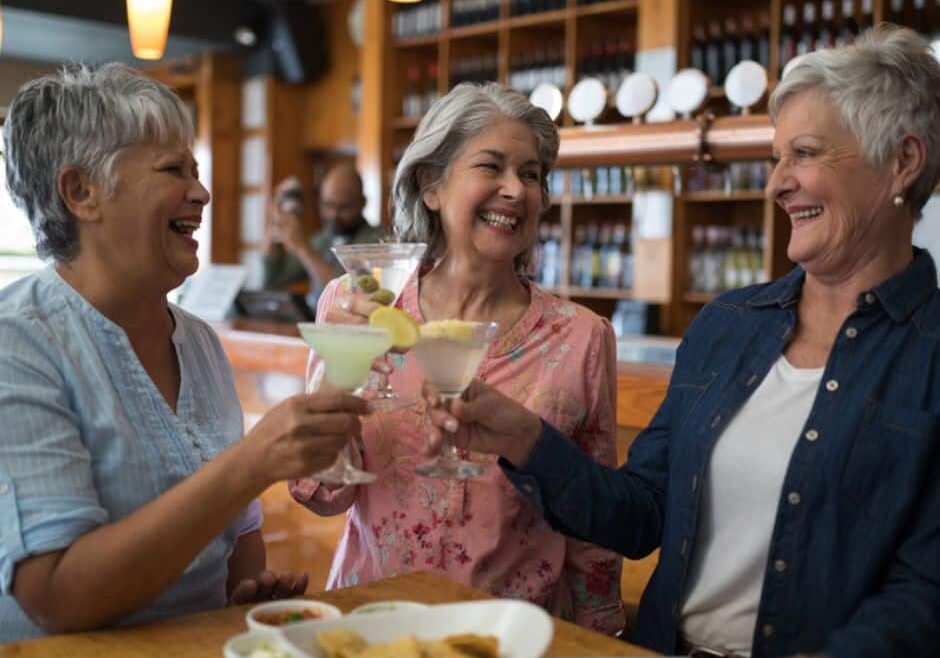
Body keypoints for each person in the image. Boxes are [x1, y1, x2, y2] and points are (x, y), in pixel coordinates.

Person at [424, 26, 940, 658]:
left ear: (903, 161)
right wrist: (526, 441)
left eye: (804, 154)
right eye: (777, 158)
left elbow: (925, 590)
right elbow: (641, 513)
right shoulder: (730, 324)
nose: (777, 184)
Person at [0, 63, 368, 641]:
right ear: (81, 193)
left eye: (196, 170)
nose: (202, 192)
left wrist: (243, 599)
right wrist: (252, 462)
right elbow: (56, 597)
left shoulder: (196, 342)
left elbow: (237, 546)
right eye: (174, 170)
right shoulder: (18, 341)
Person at [288, 82, 626, 636]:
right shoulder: (357, 304)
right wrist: (338, 378)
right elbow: (319, 492)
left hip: (511, 636)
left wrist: (602, 636)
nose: (515, 190)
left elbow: (594, 524)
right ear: (431, 186)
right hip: (371, 628)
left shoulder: (582, 337)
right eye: (491, 167)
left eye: (531, 175)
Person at [261, 165, 384, 306]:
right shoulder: (323, 240)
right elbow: (274, 278)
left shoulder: (377, 241)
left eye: (343, 207)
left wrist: (303, 248)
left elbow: (350, 291)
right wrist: (275, 224)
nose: (333, 214)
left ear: (363, 203)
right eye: (328, 205)